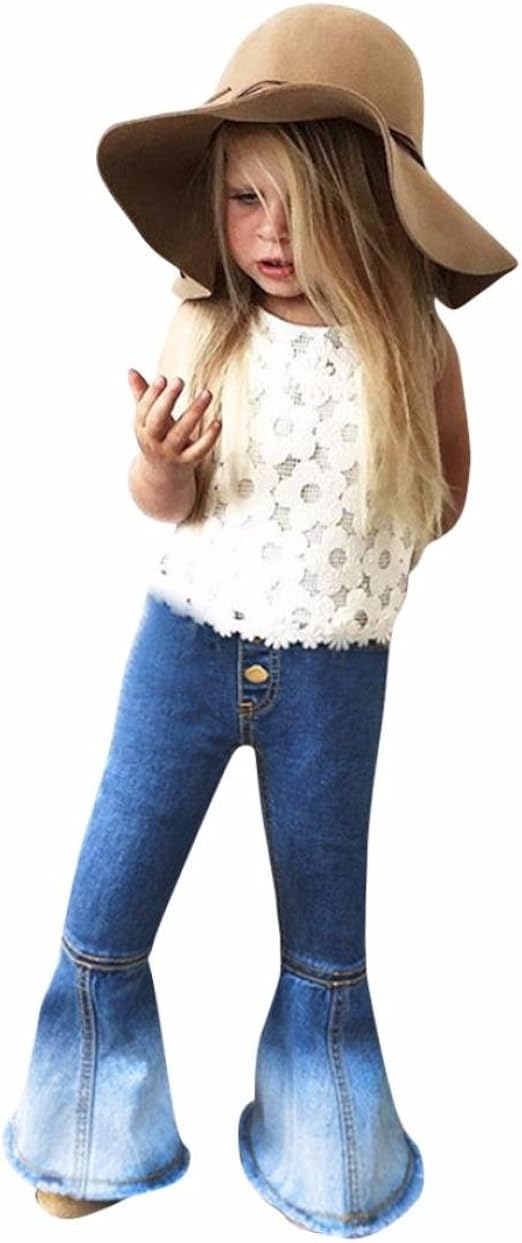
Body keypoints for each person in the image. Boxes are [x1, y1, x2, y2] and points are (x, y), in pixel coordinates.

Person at [2, 4, 517, 1235]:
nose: (270, 236)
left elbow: (447, 498)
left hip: (335, 677)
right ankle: (87, 1135)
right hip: (182, 650)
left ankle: (329, 1155)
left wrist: (380, 516)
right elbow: (163, 502)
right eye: (244, 200)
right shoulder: (205, 319)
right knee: (113, 888)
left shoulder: (416, 347)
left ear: (374, 205)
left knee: (326, 923)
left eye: (304, 205)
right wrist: (160, 461)